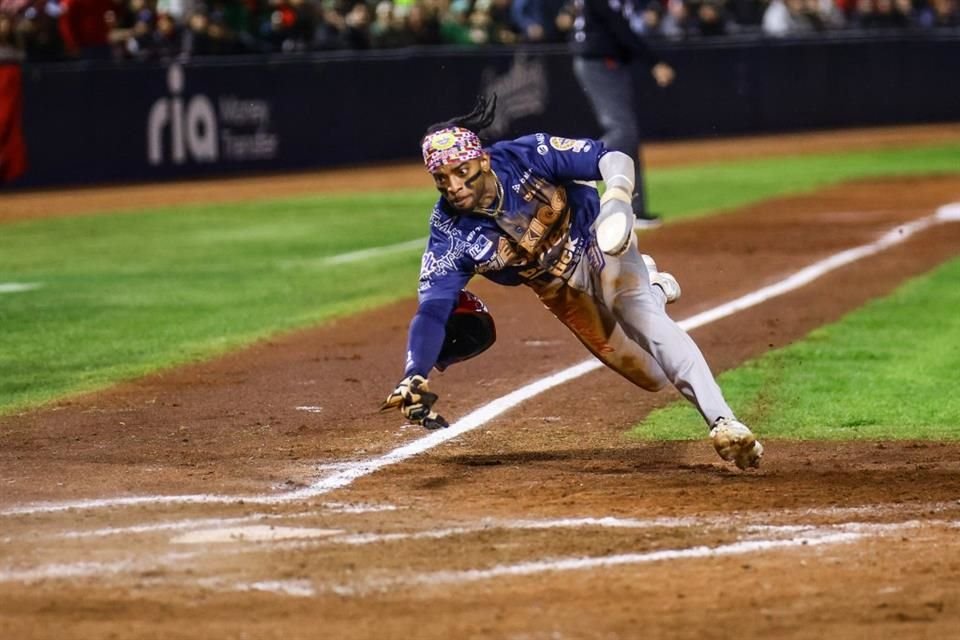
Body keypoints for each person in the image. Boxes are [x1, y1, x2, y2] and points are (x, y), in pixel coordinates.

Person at [380, 95, 764, 471]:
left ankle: (724, 423)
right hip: (558, 290)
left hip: (596, 240)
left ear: (482, 159)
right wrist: (415, 371)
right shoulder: (449, 234)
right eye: (441, 178)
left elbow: (611, 157)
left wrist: (616, 195)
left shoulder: (526, 156)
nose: (454, 185)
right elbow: (433, 309)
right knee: (651, 375)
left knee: (633, 309)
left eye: (461, 171)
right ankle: (656, 289)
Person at [570, 0, 675, 229]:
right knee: (622, 130)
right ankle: (576, 168)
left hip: (606, 60)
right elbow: (618, 26)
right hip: (598, 61)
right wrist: (653, 61)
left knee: (629, 134)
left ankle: (634, 209)